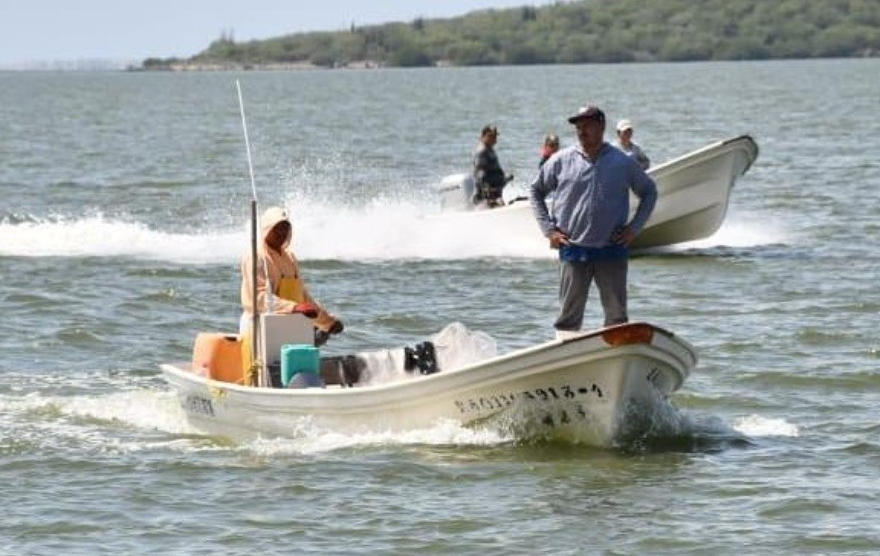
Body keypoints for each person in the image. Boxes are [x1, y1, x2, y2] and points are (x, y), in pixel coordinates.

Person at [529, 105, 657, 337]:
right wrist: (549, 231)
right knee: (568, 319)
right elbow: (535, 191)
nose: (581, 130)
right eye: (578, 127)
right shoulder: (561, 160)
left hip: (612, 249)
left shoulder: (623, 162)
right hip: (573, 249)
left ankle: (616, 366)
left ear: (602, 126)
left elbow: (649, 192)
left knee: (617, 318)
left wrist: (634, 228)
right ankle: (566, 361)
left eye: (587, 125)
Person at [240, 206, 344, 343]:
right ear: (266, 229)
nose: (281, 233)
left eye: (285, 228)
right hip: (259, 328)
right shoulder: (256, 257)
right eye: (277, 228)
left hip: (290, 325)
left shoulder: (289, 258)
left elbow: (303, 298)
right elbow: (258, 298)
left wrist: (327, 322)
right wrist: (294, 307)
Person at [472, 125, 513, 208]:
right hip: (488, 192)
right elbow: (480, 174)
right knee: (499, 204)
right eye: (491, 136)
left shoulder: (489, 149)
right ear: (483, 136)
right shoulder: (482, 151)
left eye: (495, 136)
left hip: (495, 187)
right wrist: (486, 190)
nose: (494, 139)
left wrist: (504, 178)